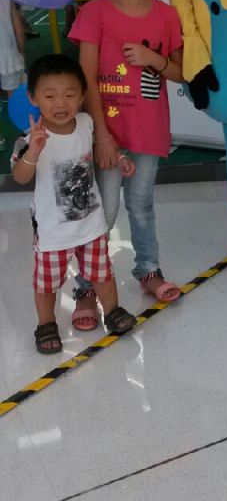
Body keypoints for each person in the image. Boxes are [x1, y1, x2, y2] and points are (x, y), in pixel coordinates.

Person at [68, 0, 184, 328]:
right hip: (106, 133)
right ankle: (85, 286)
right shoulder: (94, 13)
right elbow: (85, 78)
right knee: (102, 210)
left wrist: (154, 60)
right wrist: (102, 136)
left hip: (148, 131)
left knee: (142, 204)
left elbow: (181, 73)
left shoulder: (166, 15)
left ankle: (148, 271)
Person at [10, 54, 138, 353]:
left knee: (102, 274)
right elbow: (20, 177)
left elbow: (94, 149)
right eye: (50, 96)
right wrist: (34, 151)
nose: (60, 103)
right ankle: (46, 324)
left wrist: (118, 157)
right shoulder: (29, 138)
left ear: (82, 96)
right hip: (53, 231)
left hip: (90, 223)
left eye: (69, 95)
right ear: (33, 98)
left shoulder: (85, 123)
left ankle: (112, 311)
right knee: (47, 284)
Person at [0, 0, 25, 152]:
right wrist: (21, 53)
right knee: (15, 97)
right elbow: (18, 29)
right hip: (8, 55)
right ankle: (23, 131)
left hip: (7, 55)